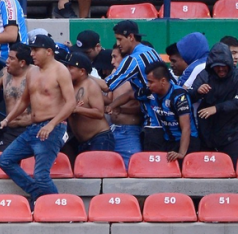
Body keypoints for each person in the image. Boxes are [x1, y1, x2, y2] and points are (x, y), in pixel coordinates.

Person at [0, 34, 74, 206]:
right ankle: (36, 193)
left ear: (48, 51)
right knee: (5, 160)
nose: (32, 54)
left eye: (35, 50)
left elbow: (71, 103)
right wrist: (8, 118)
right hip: (33, 128)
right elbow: (24, 100)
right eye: (31, 50)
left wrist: (52, 124)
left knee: (41, 175)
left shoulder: (61, 71)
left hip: (53, 128)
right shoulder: (32, 72)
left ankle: (60, 209)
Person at [103, 21, 162, 164]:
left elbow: (108, 85)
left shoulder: (133, 59)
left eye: (119, 39)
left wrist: (86, 80)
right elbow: (136, 93)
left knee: (150, 171)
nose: (118, 44)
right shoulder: (150, 51)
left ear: (130, 37)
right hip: (166, 120)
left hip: (154, 123)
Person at [124, 62, 198, 161]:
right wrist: (112, 106)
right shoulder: (149, 92)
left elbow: (186, 127)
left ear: (162, 81)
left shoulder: (179, 96)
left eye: (151, 82)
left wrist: (181, 153)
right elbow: (130, 95)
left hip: (187, 142)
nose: (148, 85)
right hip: (168, 141)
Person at [194, 43, 238, 164]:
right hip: (206, 135)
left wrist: (216, 108)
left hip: (231, 135)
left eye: (224, 66)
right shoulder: (204, 75)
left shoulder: (236, 77)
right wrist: (197, 92)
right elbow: (188, 96)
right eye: (216, 66)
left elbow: (236, 103)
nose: (220, 69)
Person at [65, 52, 114, 154]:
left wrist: (77, 109)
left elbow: (99, 113)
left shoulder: (91, 86)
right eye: (67, 66)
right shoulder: (68, 86)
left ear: (82, 71)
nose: (67, 70)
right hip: (81, 142)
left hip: (99, 139)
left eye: (71, 68)